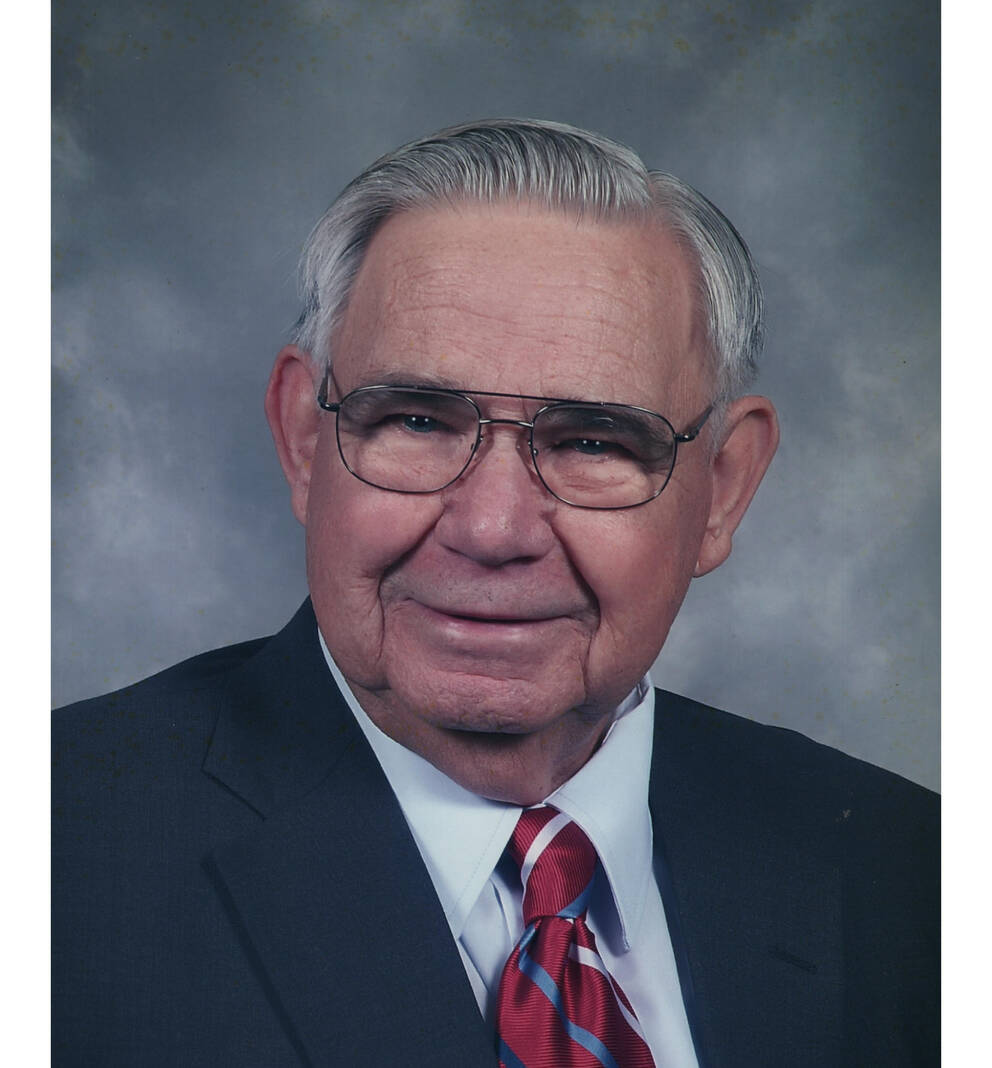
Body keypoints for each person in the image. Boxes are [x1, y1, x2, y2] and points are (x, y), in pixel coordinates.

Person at [52, 119, 938, 1067]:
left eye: (592, 440)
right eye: (417, 421)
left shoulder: (916, 877)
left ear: (722, 488)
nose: (493, 529)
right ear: (306, 441)